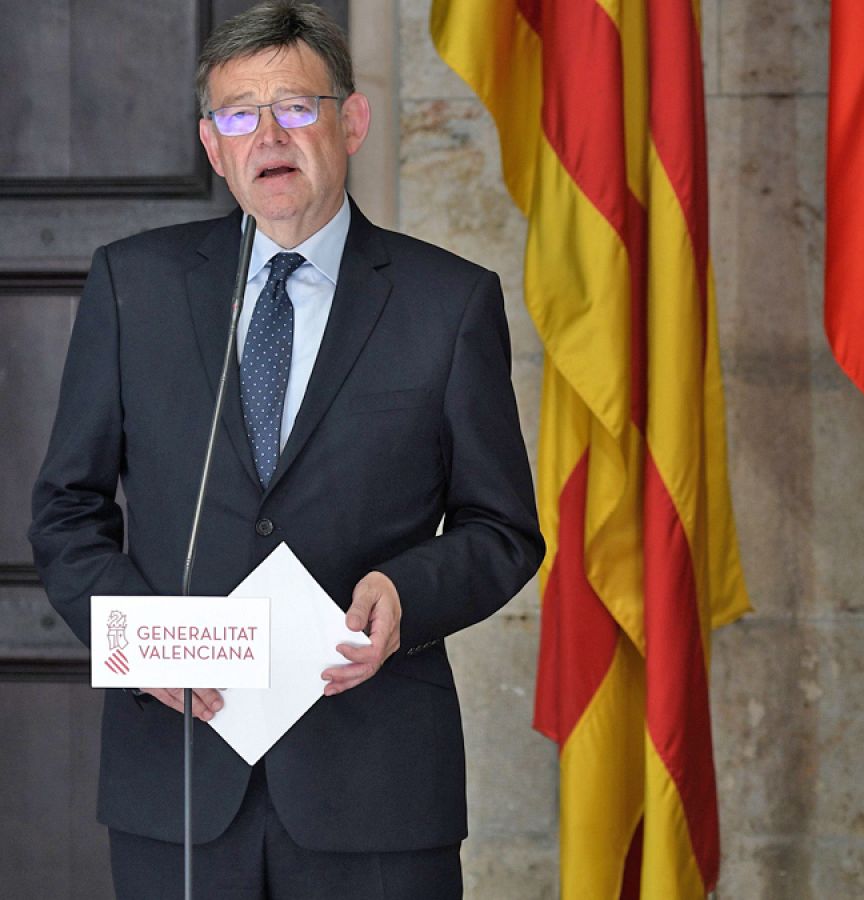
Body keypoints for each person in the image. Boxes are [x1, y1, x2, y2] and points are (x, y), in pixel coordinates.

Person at [28, 3, 543, 896]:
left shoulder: (448, 303)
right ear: (213, 144)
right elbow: (66, 511)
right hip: (179, 784)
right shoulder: (132, 286)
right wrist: (145, 647)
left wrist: (404, 595)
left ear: (351, 122)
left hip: (377, 789)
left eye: (296, 107)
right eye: (239, 114)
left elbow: (503, 528)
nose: (269, 133)